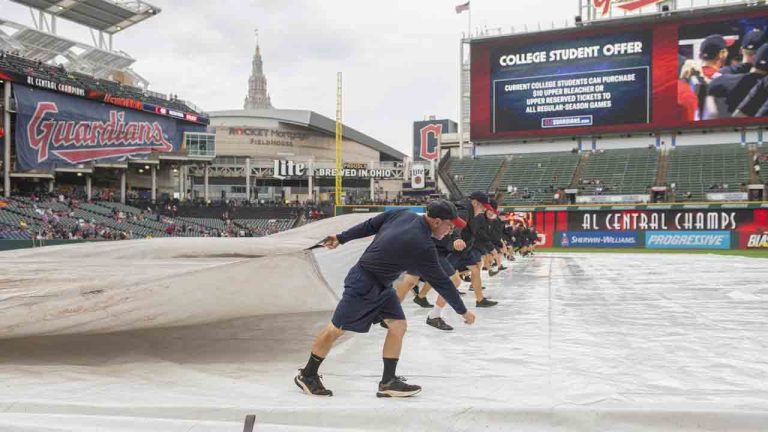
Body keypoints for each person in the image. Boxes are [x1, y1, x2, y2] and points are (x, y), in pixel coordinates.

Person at [295, 200, 476, 398]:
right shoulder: (421, 244)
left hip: (383, 285)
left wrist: (341, 237)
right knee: (335, 329)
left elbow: (370, 225)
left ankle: (388, 381)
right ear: (437, 221)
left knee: (398, 325)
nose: (451, 231)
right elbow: (442, 282)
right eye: (450, 225)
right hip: (363, 283)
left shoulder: (403, 214)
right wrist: (463, 311)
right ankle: (307, 374)